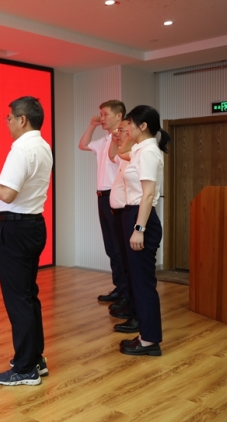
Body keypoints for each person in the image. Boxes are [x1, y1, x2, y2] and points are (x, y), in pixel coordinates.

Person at [0, 96, 53, 386]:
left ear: (22, 119)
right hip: (34, 226)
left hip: (16, 230)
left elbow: (7, 194)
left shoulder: (21, 149)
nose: (6, 123)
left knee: (18, 299)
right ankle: (35, 358)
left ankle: (25, 369)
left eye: (9, 118)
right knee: (28, 295)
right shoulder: (44, 146)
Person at [118, 105, 170, 356]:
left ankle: (150, 342)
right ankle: (146, 336)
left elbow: (148, 194)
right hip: (134, 215)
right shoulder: (141, 149)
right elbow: (122, 152)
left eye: (130, 123)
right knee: (138, 281)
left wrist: (139, 228)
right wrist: (128, 137)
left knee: (143, 283)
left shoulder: (149, 152)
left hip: (142, 219)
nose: (126, 128)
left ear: (144, 126)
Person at [78, 100, 127, 307]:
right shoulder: (104, 140)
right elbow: (83, 145)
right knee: (110, 247)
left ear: (119, 116)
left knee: (119, 246)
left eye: (106, 114)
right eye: (101, 114)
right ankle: (119, 287)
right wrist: (92, 125)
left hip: (116, 197)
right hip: (102, 197)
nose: (102, 118)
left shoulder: (124, 139)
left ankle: (127, 293)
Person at [107, 119, 138, 333]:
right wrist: (117, 137)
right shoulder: (124, 156)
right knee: (124, 262)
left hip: (130, 214)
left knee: (133, 267)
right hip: (121, 214)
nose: (118, 133)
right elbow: (113, 154)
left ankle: (134, 312)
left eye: (123, 130)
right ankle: (129, 304)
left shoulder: (137, 155)